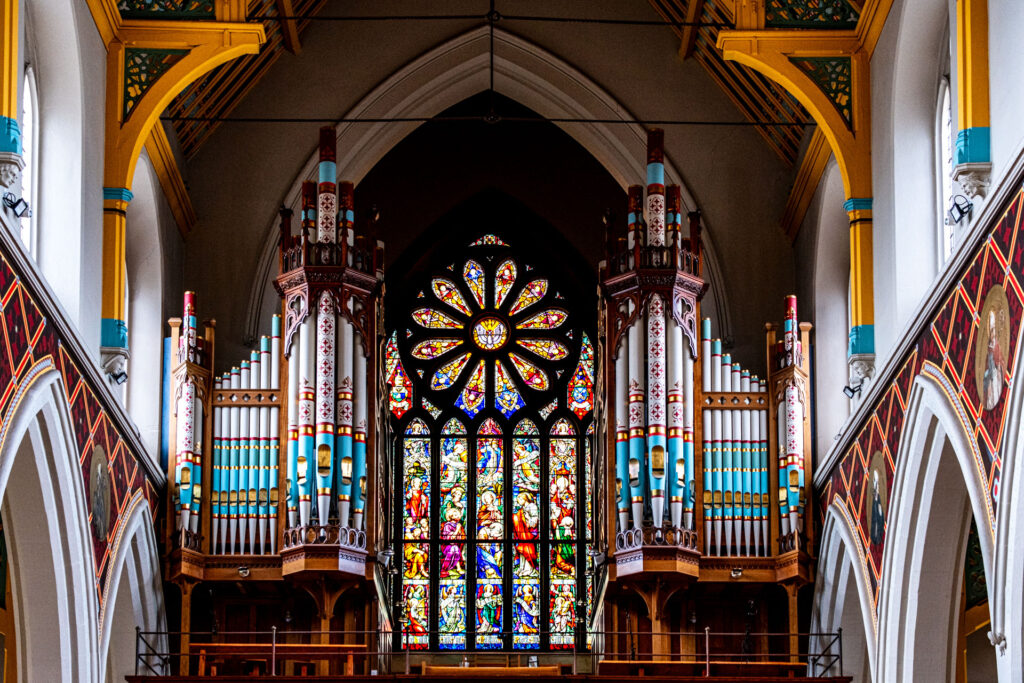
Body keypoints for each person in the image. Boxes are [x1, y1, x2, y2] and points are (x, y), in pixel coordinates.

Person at [983, 308, 1006, 409]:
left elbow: (1001, 361)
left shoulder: (999, 345)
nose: (993, 333)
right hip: (991, 383)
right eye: (991, 330)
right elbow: (985, 372)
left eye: (994, 329)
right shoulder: (988, 350)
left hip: (999, 376)